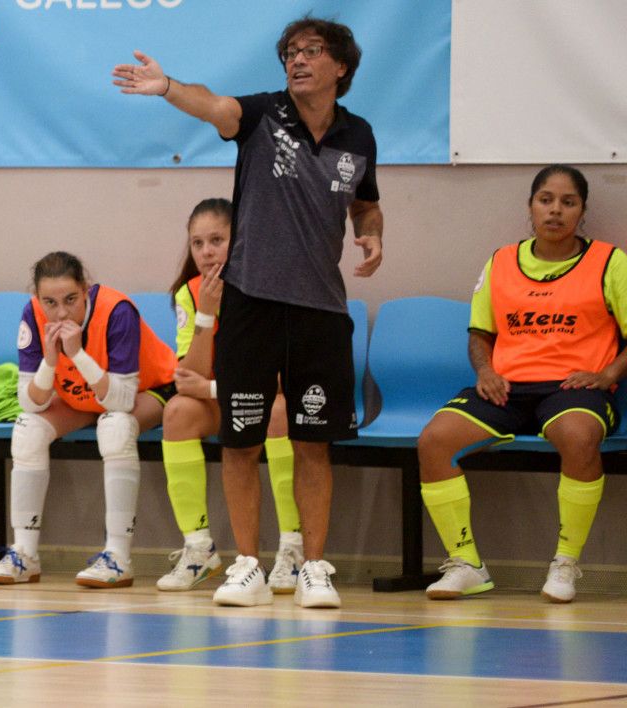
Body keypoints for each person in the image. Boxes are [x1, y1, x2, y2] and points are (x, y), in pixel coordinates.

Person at [114, 15, 384, 609]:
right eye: (291, 51)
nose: (298, 59)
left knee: (314, 442)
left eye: (312, 51)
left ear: (341, 66)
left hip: (320, 311)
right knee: (240, 441)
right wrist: (167, 87)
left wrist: (371, 234)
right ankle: (246, 566)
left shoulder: (358, 136)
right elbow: (213, 106)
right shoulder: (264, 115)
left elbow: (365, 205)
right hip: (251, 306)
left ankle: (313, 567)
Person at [417, 165, 627, 604]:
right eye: (545, 200)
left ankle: (565, 564)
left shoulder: (610, 262)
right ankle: (466, 564)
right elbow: (480, 334)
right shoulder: (502, 261)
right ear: (531, 207)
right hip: (507, 387)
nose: (555, 211)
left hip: (574, 389)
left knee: (578, 437)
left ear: (582, 211)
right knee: (435, 440)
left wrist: (608, 374)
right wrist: (486, 372)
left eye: (568, 202)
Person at [0, 251, 176, 589]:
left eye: (70, 300)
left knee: (115, 427)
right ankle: (24, 555)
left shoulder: (118, 311)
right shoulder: (31, 314)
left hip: (150, 387)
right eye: (50, 302)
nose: (60, 312)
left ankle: (118, 557)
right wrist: (50, 360)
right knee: (27, 430)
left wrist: (77, 355)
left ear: (86, 289)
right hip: (87, 394)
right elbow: (29, 402)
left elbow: (121, 399)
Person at [157, 198, 304, 600]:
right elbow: (191, 374)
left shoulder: (268, 285)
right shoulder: (190, 293)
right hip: (226, 395)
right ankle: (199, 549)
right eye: (197, 243)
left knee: (279, 413)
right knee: (178, 413)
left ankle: (292, 548)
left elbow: (277, 381)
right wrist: (206, 314)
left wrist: (211, 389)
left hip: (261, 396)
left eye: (217, 240)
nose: (206, 252)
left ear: (238, 241)